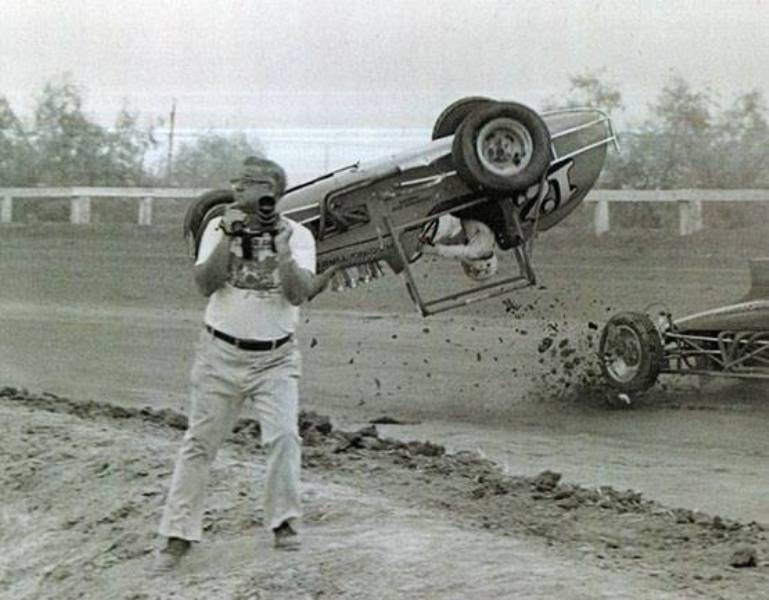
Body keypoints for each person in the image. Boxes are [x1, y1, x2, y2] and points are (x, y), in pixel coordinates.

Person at [156, 157, 318, 570]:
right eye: (242, 184)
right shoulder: (217, 227)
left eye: (258, 185)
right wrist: (229, 236)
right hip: (219, 352)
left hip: (275, 357)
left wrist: (282, 254)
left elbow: (299, 294)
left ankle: (284, 523)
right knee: (200, 441)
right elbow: (204, 284)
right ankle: (178, 533)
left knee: (283, 437)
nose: (248, 192)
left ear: (276, 194)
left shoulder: (298, 235)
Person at [419, 214, 498, 281]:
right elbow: (453, 251)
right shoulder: (478, 251)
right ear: (481, 266)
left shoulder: (488, 243)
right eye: (467, 267)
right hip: (456, 217)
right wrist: (430, 249)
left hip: (460, 217)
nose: (464, 264)